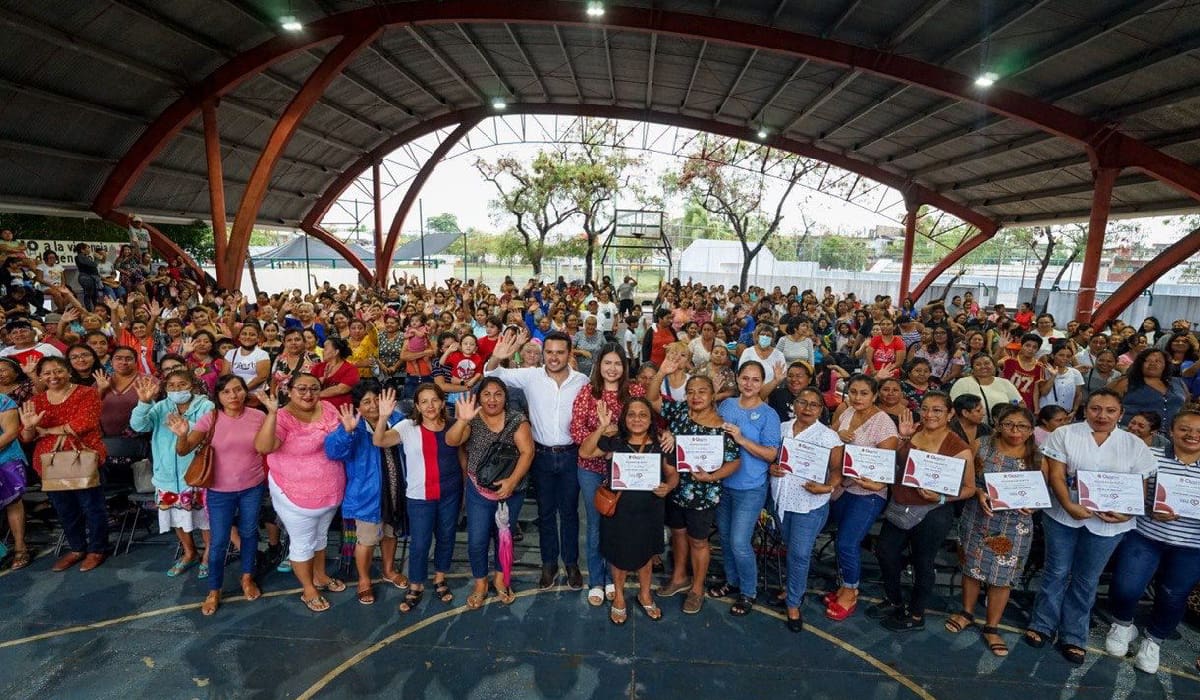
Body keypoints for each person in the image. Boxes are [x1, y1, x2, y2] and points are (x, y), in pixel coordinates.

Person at [1024, 389, 1157, 665]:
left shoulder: (1134, 444)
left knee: (1086, 579)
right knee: (1056, 571)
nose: (1102, 415)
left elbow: (1139, 487)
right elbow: (1056, 475)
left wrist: (1124, 514)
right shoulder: (1065, 434)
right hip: (1062, 515)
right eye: (1095, 409)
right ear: (1085, 409)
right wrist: (1069, 505)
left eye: (1110, 410)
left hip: (1109, 525)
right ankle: (1042, 624)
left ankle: (1074, 635)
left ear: (1121, 413)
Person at [484, 329, 589, 590]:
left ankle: (572, 564)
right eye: (549, 352)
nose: (554, 357)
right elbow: (492, 374)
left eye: (560, 352)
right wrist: (497, 356)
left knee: (570, 513)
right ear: (543, 353)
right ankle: (549, 564)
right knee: (545, 513)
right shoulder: (531, 376)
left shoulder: (582, 381)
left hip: (571, 455)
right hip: (541, 456)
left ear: (569, 354)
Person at [1105, 409, 1200, 674]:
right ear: (1171, 431)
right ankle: (1122, 625)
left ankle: (1153, 641)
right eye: (1184, 429)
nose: (1192, 435)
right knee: (1126, 587)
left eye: (1198, 431)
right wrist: (1148, 508)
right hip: (1146, 536)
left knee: (1173, 596)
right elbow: (1127, 492)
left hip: (1192, 545)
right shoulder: (1149, 456)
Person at [870, 394, 974, 631]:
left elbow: (969, 488)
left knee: (922, 561)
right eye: (925, 409)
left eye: (937, 410)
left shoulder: (959, 448)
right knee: (885, 552)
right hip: (901, 504)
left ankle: (916, 614)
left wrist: (941, 497)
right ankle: (894, 600)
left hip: (933, 511)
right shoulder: (913, 432)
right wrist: (903, 438)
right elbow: (894, 463)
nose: (929, 415)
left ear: (950, 414)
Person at [647, 358, 740, 616]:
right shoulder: (679, 412)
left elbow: (735, 462)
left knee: (698, 541)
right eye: (690, 392)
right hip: (675, 487)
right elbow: (652, 399)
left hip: (703, 493)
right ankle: (679, 577)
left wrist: (712, 477)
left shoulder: (722, 427)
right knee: (677, 533)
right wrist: (661, 372)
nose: (695, 396)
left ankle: (697, 587)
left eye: (702, 392)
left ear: (712, 396)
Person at [168, 374, 267, 615]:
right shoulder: (210, 418)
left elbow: (269, 445)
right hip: (219, 491)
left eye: (238, 389)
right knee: (219, 541)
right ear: (218, 396)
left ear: (245, 391)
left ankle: (247, 578)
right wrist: (181, 435)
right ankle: (214, 589)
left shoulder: (259, 416)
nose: (233, 396)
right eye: (226, 392)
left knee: (249, 533)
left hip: (252, 486)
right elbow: (184, 450)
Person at [579, 396, 678, 625]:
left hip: (650, 510)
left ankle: (645, 594)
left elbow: (672, 475)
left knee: (646, 554)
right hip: (620, 511)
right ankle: (619, 597)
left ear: (651, 419)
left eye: (643, 414)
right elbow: (585, 452)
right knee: (618, 555)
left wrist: (668, 487)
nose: (637, 419)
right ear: (624, 418)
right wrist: (602, 427)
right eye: (631, 414)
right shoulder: (614, 441)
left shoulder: (660, 443)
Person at [951, 406, 1040, 656]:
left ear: (1031, 430)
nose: (1015, 431)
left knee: (1004, 575)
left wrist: (1033, 505)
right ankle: (967, 612)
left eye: (1022, 426)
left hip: (1015, 525)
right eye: (1008, 424)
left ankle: (992, 627)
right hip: (979, 516)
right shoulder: (981, 445)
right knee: (971, 567)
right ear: (998, 425)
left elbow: (1044, 491)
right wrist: (978, 493)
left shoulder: (1037, 456)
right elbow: (966, 480)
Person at [254, 375, 347, 612]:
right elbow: (264, 447)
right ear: (290, 390)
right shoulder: (282, 417)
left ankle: (320, 576)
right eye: (302, 389)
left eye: (314, 388)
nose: (308, 394)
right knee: (303, 543)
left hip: (331, 492)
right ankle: (309, 589)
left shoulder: (328, 407)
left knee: (321, 536)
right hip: (295, 495)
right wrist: (272, 414)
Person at [446, 379, 535, 609]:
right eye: (486, 394)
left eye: (497, 394)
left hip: (511, 491)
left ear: (505, 397)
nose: (492, 399)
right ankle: (481, 584)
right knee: (477, 540)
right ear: (479, 397)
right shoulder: (473, 419)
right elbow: (451, 441)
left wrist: (512, 482)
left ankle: (501, 580)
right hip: (479, 492)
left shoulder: (517, 420)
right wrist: (462, 420)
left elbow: (527, 452)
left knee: (504, 538)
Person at [569, 344, 646, 605]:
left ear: (624, 367)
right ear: (598, 365)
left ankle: (614, 578)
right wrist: (604, 435)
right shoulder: (587, 392)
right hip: (591, 469)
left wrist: (617, 438)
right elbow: (577, 432)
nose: (612, 369)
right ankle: (596, 581)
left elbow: (644, 424)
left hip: (625, 469)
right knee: (595, 524)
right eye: (607, 363)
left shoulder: (635, 391)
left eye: (617, 363)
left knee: (619, 525)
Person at [19, 356, 107, 571]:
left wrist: (47, 431)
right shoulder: (36, 401)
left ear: (69, 372)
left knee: (91, 507)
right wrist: (30, 426)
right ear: (40, 377)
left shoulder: (87, 393)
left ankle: (97, 549)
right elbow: (27, 437)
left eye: (58, 371)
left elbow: (84, 423)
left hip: (82, 457)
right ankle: (77, 549)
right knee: (64, 510)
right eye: (47, 373)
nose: (53, 376)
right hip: (49, 463)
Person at [324, 380, 408, 606]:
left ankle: (388, 571)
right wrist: (347, 433)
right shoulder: (353, 426)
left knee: (391, 534)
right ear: (357, 406)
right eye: (366, 402)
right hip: (367, 496)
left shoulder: (398, 420)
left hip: (395, 491)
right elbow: (333, 452)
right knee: (367, 541)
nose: (373, 406)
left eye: (377, 399)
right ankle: (364, 580)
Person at [375, 385, 459, 612]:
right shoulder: (407, 427)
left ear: (442, 402)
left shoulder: (453, 425)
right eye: (424, 401)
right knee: (420, 543)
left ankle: (440, 577)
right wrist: (383, 417)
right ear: (417, 406)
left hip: (450, 493)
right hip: (419, 496)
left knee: (446, 537)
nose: (430, 406)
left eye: (434, 400)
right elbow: (380, 441)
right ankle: (416, 584)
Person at [825, 375, 899, 621]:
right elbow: (829, 439)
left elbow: (886, 465)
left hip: (869, 493)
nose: (857, 397)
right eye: (853, 392)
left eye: (864, 393)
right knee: (840, 540)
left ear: (875, 395)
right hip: (844, 487)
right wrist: (839, 434)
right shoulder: (846, 412)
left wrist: (875, 481)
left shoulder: (884, 423)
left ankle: (851, 591)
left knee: (848, 543)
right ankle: (844, 585)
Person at [710, 361, 781, 616]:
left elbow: (771, 454)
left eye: (755, 379)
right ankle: (732, 581)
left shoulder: (769, 415)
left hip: (750, 487)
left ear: (762, 383)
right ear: (738, 379)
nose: (749, 384)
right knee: (726, 539)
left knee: (740, 542)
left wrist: (741, 439)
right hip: (724, 483)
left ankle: (748, 591)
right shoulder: (727, 405)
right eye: (745, 378)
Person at [769, 387, 842, 632]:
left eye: (814, 404)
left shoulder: (829, 437)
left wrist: (827, 487)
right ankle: (792, 588)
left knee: (799, 554)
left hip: (809, 504)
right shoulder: (781, 428)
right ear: (794, 404)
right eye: (802, 402)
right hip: (781, 499)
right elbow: (771, 457)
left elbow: (837, 470)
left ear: (821, 410)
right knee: (790, 549)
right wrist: (771, 467)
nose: (807, 408)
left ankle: (793, 603)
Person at [129, 371, 215, 578]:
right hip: (166, 475)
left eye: (182, 384)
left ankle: (209, 554)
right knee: (176, 517)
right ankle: (189, 552)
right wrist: (144, 403)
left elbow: (209, 432)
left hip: (197, 473)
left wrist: (185, 427)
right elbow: (139, 426)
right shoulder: (160, 407)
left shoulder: (206, 406)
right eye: (172, 386)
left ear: (192, 385)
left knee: (205, 519)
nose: (177, 389)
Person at [1111, 348, 1189, 430]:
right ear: (1140, 364)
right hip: (1132, 432)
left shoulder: (1178, 382)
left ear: (1165, 364)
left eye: (1158, 361)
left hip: (1170, 434)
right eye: (1147, 360)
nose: (1152, 363)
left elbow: (1186, 406)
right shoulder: (1126, 382)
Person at [949, 353, 1022, 426]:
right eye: (978, 364)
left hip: (1001, 428)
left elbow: (1020, 404)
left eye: (987, 363)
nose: (983, 367)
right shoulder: (962, 383)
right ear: (972, 368)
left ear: (994, 366)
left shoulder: (1005, 383)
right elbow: (952, 407)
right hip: (971, 427)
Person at [0, 387, 29, 570]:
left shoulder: (3, 401)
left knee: (13, 502)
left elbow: (10, 433)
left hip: (6, 458)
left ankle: (20, 548)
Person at [312, 336, 359, 410]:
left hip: (340, 410)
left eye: (326, 349)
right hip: (316, 409)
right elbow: (310, 386)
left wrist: (316, 395)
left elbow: (341, 389)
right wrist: (322, 380)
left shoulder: (350, 369)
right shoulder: (317, 367)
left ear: (336, 352)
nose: (322, 351)